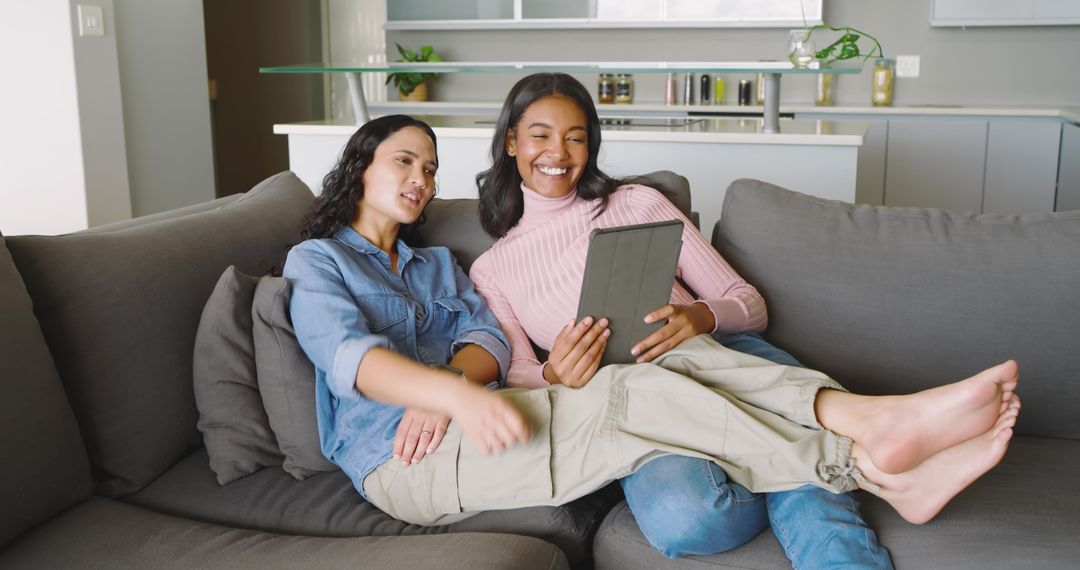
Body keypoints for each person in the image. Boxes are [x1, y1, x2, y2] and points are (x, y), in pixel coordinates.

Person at [283, 113, 1020, 560]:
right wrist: (442, 394)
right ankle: (874, 462)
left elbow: (487, 342)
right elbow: (349, 356)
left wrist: (458, 388)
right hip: (401, 461)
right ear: (360, 168)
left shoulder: (439, 263)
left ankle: (875, 446)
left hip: (472, 418)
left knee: (632, 380)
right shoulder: (316, 261)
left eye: (430, 166)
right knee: (626, 403)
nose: (421, 178)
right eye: (404, 162)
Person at [466, 73, 1019, 566]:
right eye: (540, 134)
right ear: (511, 140)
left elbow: (747, 302)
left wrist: (699, 317)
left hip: (728, 362)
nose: (558, 152)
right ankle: (870, 446)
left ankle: (848, 451)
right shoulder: (495, 267)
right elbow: (515, 374)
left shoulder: (635, 203)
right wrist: (556, 376)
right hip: (637, 403)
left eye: (576, 136)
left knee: (786, 471)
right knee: (690, 519)